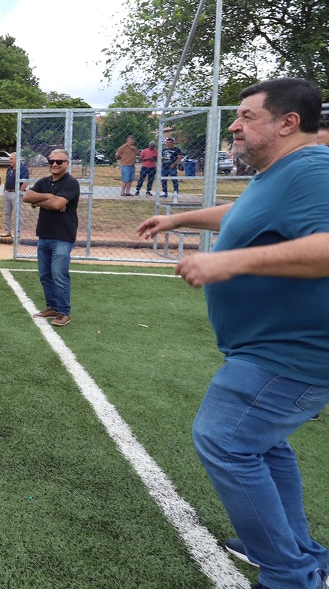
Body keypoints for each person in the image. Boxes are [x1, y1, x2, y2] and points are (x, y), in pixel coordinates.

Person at [135, 77, 329, 589]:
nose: (235, 125)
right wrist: (179, 219)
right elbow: (243, 214)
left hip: (290, 355)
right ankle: (298, 547)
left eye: (247, 116)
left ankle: (290, 574)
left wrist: (230, 263)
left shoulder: (313, 168)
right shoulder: (279, 173)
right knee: (263, 445)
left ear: (289, 123)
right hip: (272, 351)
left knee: (224, 440)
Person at [23, 149, 80, 327]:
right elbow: (26, 196)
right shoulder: (44, 182)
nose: (54, 164)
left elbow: (58, 204)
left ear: (67, 163)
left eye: (59, 161)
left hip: (62, 237)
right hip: (44, 235)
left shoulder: (71, 183)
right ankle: (52, 307)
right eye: (51, 161)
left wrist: (38, 202)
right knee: (45, 275)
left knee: (59, 275)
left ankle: (64, 312)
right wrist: (48, 196)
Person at [1, 152, 28, 238]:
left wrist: (19, 191)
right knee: (7, 213)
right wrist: (4, 190)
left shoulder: (23, 169)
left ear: (17, 159)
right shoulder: (9, 168)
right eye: (9, 159)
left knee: (17, 213)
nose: (9, 160)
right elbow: (7, 179)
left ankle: (17, 232)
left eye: (11, 159)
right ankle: (7, 230)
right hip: (7, 193)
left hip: (15, 193)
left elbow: (26, 182)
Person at [160, 133, 183, 199]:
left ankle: (175, 192)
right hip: (164, 166)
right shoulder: (164, 150)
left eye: (170, 142)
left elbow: (179, 157)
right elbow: (160, 157)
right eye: (167, 142)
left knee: (174, 179)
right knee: (163, 179)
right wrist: (162, 158)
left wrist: (174, 164)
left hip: (172, 166)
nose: (168, 144)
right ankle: (164, 192)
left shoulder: (176, 150)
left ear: (173, 143)